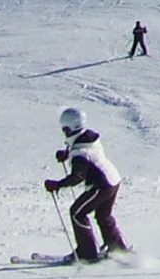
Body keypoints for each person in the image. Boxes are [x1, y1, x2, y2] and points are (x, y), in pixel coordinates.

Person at [47, 107, 130, 262]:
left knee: (77, 213)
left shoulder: (80, 153)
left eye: (64, 129)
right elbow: (85, 149)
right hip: (113, 179)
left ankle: (86, 253)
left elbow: (77, 176)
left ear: (68, 128)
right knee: (103, 215)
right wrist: (67, 153)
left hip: (101, 185)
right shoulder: (89, 137)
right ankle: (118, 248)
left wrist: (57, 185)